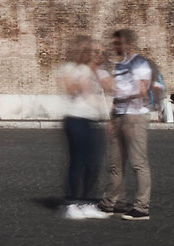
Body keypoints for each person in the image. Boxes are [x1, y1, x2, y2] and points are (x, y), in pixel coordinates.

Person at [101, 29, 154, 221]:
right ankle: (114, 202)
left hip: (135, 117)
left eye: (118, 43)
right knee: (115, 164)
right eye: (114, 43)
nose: (115, 46)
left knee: (138, 163)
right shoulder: (120, 65)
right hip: (119, 116)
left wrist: (123, 94)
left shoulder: (140, 63)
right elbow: (117, 95)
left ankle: (142, 207)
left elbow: (142, 91)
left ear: (128, 44)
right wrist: (112, 119)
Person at [55, 38, 109, 219]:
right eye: (95, 52)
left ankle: (86, 202)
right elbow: (78, 91)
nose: (99, 55)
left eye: (101, 53)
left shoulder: (94, 71)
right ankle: (71, 203)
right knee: (78, 161)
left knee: (93, 163)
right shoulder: (78, 69)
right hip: (76, 119)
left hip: (91, 120)